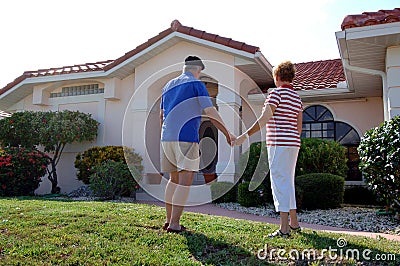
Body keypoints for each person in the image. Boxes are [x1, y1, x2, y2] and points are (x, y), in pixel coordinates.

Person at [160, 56, 235, 233]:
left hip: (166, 137)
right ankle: (175, 224)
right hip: (186, 137)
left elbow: (161, 115)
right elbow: (210, 111)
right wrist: (227, 133)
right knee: (185, 180)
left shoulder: (168, 86)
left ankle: (168, 220)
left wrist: (165, 135)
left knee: (173, 180)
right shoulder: (197, 84)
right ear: (198, 70)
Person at [235, 61, 303, 238]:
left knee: (279, 182)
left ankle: (284, 228)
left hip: (278, 144)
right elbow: (299, 127)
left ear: (277, 77)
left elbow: (263, 120)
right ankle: (294, 223)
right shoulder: (297, 98)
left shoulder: (275, 94)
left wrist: (244, 136)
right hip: (293, 144)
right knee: (288, 181)